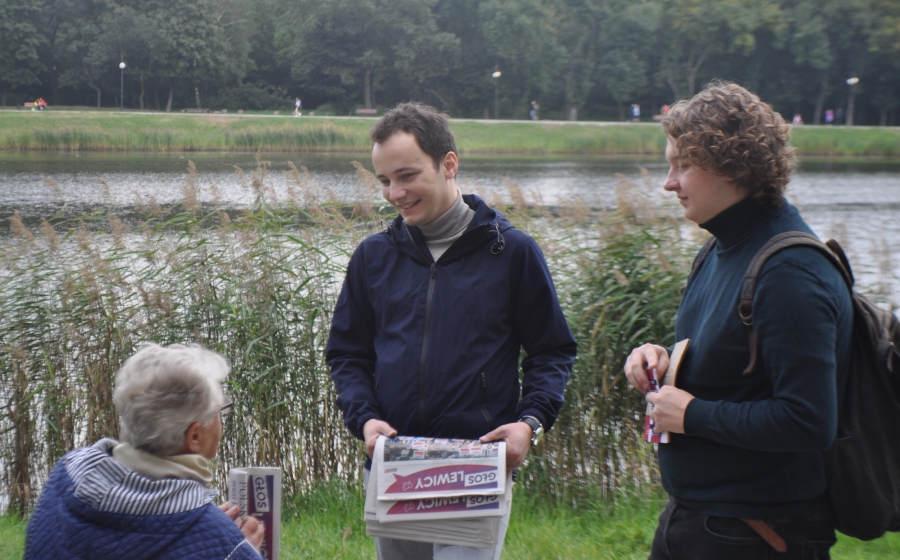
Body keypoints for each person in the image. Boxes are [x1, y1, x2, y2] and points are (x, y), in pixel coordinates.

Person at [326, 102, 576, 560]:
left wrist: (529, 424)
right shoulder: (373, 257)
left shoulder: (513, 252)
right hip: (394, 462)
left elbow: (552, 352)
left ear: (449, 165)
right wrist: (363, 419)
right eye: (384, 180)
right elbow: (347, 354)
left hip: (474, 464)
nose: (395, 193)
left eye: (407, 176)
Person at [623, 83, 852, 559]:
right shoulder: (723, 247)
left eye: (682, 166)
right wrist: (662, 359)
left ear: (730, 165)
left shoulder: (790, 272)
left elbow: (809, 421)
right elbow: (734, 362)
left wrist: (692, 415)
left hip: (756, 533)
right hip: (697, 519)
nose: (669, 183)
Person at [25, 343, 265, 560]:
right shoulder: (227, 546)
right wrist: (239, 551)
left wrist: (211, 529)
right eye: (221, 410)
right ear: (195, 436)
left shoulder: (66, 474)